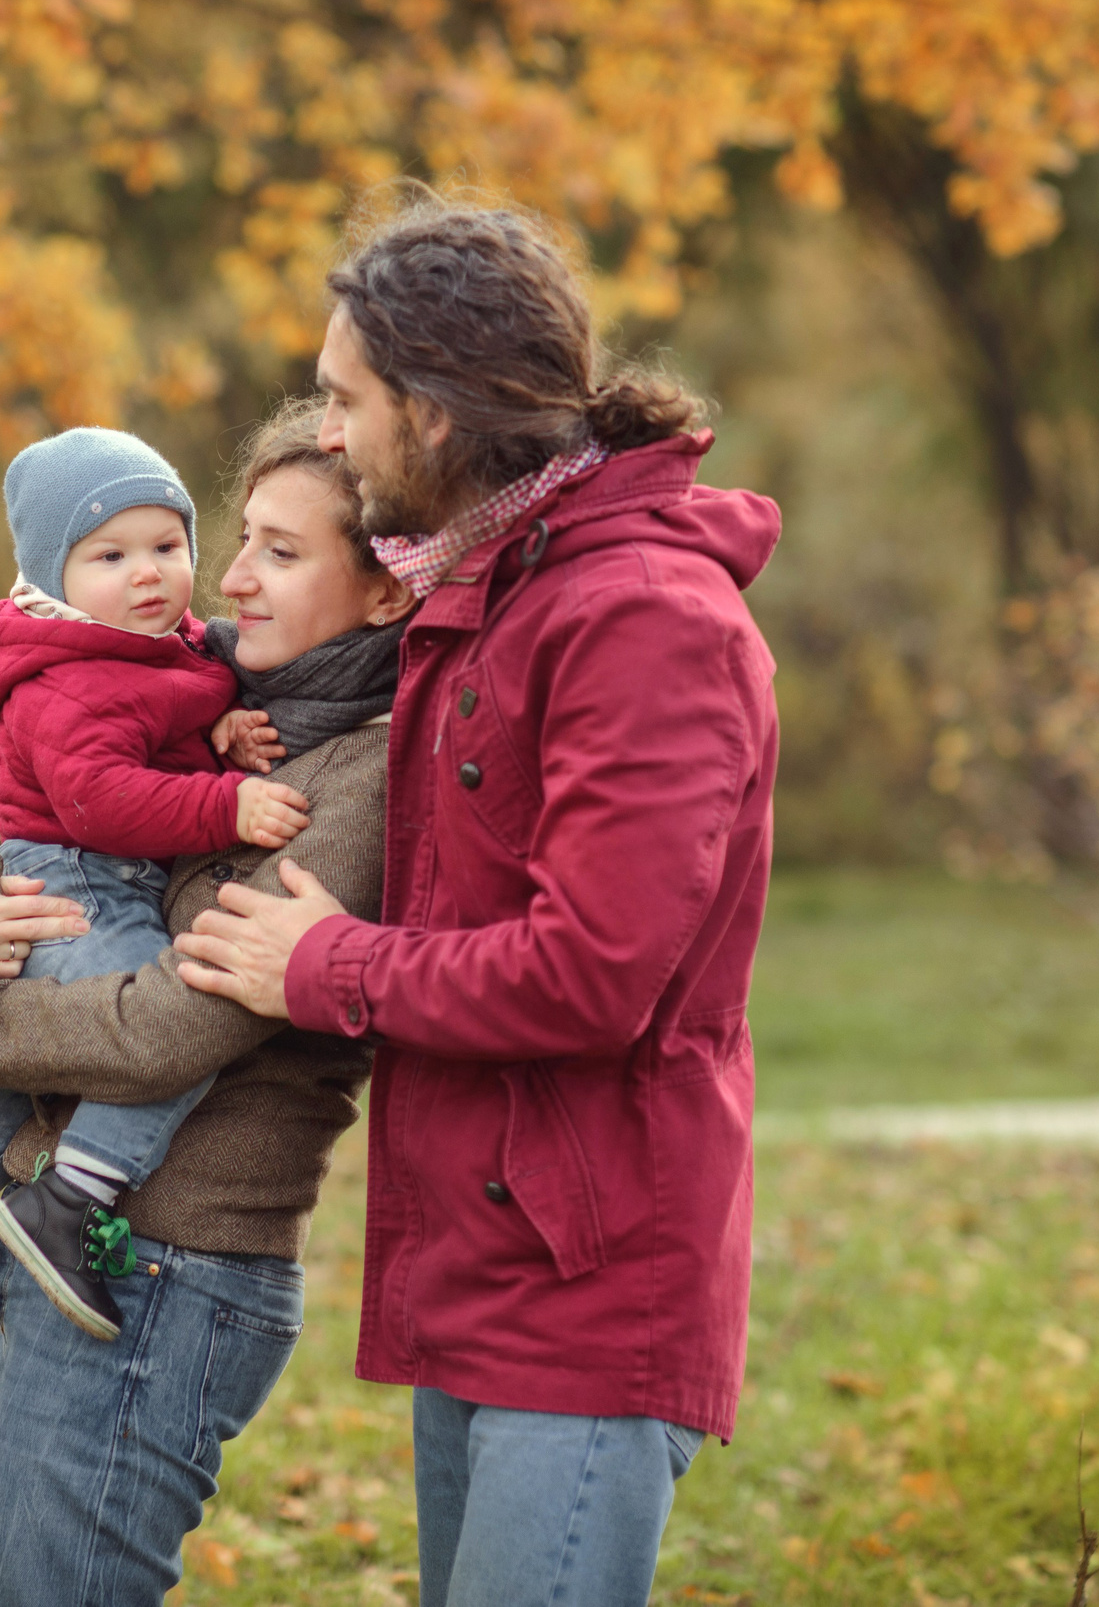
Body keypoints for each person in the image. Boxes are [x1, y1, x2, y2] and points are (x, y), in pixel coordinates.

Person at [172, 194, 783, 1607]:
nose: (327, 432)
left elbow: (595, 972)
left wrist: (325, 966)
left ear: (437, 413)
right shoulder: (488, 592)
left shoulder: (640, 617)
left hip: (591, 1283)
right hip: (479, 1267)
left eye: (345, 398)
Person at [0, 403, 413, 1607]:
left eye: (282, 553)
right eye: (239, 536)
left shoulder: (362, 775)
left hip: (168, 1265)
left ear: (390, 591)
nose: (225, 576)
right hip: (88, 1242)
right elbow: (84, 895)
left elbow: (163, 1028)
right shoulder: (227, 731)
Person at [0, 427, 316, 1373]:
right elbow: (104, 798)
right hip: (82, 880)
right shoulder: (64, 677)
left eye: (167, 546)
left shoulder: (158, 647)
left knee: (28, 1089)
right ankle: (74, 1199)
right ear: (53, 573)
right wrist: (226, 799)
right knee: (159, 1037)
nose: (148, 574)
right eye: (109, 555)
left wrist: (221, 732)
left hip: (97, 870)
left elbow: (166, 721)